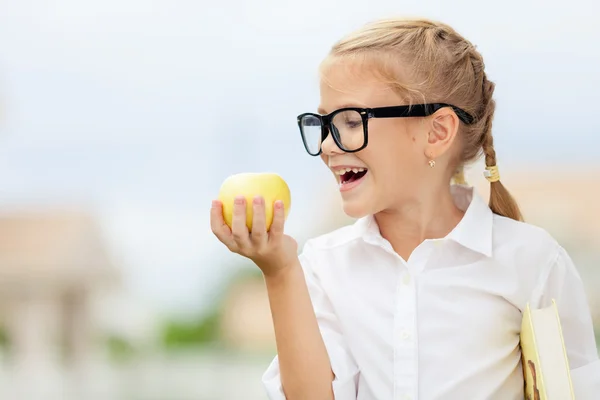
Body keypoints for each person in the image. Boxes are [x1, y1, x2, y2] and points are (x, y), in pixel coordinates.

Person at [210, 17, 600, 399]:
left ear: (437, 132)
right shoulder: (320, 266)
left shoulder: (533, 260)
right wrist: (279, 272)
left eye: (350, 120)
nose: (328, 145)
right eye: (324, 123)